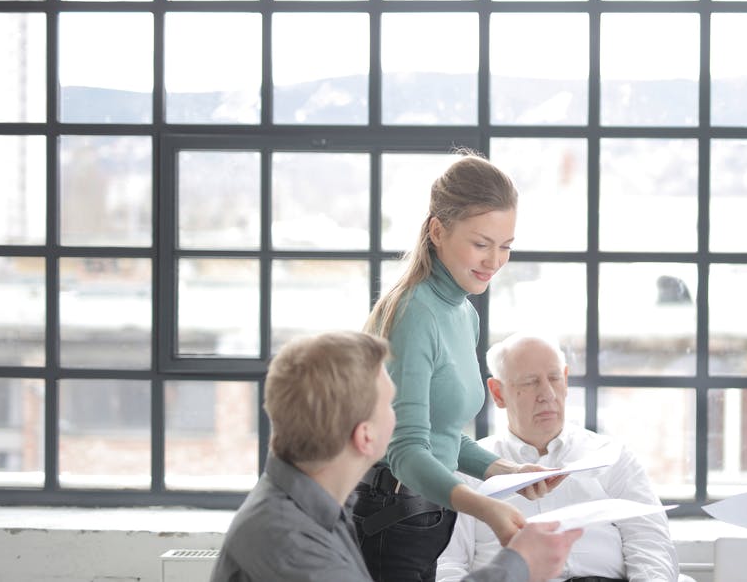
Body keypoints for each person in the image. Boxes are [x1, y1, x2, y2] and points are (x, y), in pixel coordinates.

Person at [210, 331, 584, 582]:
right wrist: (518, 565)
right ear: (366, 437)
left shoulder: (311, 506)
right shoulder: (290, 543)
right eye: (394, 405)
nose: (410, 416)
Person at [357, 152, 563, 581]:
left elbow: (443, 436)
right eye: (481, 244)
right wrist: (485, 506)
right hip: (392, 517)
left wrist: (510, 473)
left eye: (506, 246)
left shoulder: (464, 313)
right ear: (437, 231)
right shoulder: (415, 314)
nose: (494, 261)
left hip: (424, 514)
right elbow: (406, 451)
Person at [437, 333, 680, 582]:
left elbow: (652, 546)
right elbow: (448, 564)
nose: (547, 394)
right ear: (498, 393)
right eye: (530, 382)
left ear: (565, 380)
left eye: (554, 378)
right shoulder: (468, 471)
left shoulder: (612, 456)